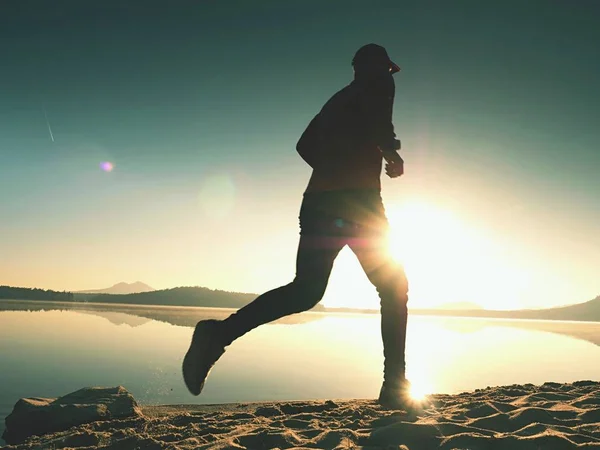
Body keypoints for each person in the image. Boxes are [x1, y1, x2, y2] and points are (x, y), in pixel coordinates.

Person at [183, 43, 410, 408]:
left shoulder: (339, 100)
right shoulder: (379, 87)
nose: (387, 77)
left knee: (306, 291)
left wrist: (338, 166)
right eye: (384, 70)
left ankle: (218, 334)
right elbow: (378, 123)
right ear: (374, 68)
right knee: (394, 286)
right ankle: (395, 387)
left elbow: (304, 145)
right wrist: (391, 153)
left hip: (319, 203)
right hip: (359, 203)